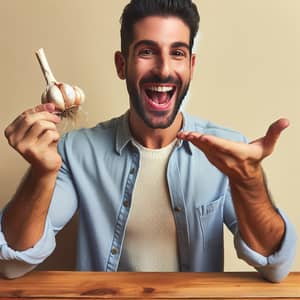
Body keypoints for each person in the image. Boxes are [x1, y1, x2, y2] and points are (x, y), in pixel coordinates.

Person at [0, 0, 297, 281]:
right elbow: (12, 264)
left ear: (191, 66)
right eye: (146, 52)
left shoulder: (228, 150)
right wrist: (41, 172)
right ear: (121, 64)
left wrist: (249, 182)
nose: (164, 69)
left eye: (177, 53)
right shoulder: (76, 152)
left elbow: (275, 267)